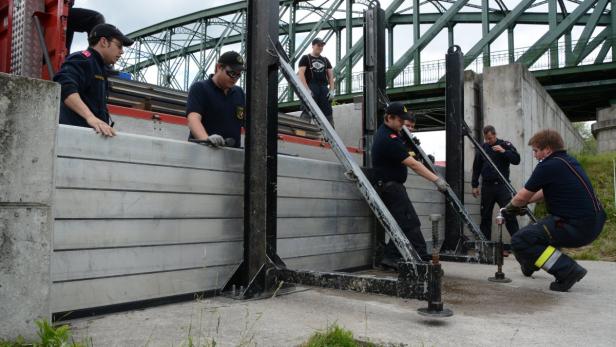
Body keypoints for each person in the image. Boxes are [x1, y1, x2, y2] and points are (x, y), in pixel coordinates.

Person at [505, 129, 605, 292]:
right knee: (535, 234)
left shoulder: (548, 165)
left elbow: (521, 197)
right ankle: (530, 262)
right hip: (593, 222)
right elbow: (543, 192)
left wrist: (510, 207)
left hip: (575, 225)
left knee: (520, 240)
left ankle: (568, 270)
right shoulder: (567, 162)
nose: (535, 155)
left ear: (548, 149)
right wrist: (525, 201)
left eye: (536, 151)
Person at [372, 102, 450, 268]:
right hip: (390, 187)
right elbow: (413, 164)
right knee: (410, 223)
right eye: (400, 121)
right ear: (389, 118)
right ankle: (417, 257)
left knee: (404, 223)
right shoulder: (388, 138)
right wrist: (436, 179)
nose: (403, 124)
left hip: (392, 186)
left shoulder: (392, 134)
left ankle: (391, 256)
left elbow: (409, 154)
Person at [53, 23, 133, 137]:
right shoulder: (82, 59)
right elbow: (64, 87)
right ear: (104, 42)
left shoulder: (100, 67)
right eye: (119, 46)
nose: (122, 51)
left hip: (88, 137)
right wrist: (90, 117)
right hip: (74, 137)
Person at [471, 125, 521, 252]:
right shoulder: (483, 147)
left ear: (495, 134)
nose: (488, 141)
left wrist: (504, 151)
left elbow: (517, 159)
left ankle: (520, 245)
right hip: (487, 187)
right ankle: (485, 248)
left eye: (490, 138)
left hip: (502, 186)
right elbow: (476, 167)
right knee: (485, 216)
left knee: (509, 214)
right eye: (486, 139)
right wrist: (474, 185)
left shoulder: (505, 144)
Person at [186, 51, 246, 148]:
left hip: (231, 156)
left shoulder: (239, 93)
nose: (235, 78)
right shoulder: (200, 88)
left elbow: (250, 126)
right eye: (232, 73)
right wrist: (206, 139)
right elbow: (193, 119)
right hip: (203, 153)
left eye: (238, 75)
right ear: (219, 67)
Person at [298, 38, 335, 127]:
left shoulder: (325, 60)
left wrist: (331, 90)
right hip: (311, 87)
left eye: (322, 45)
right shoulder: (305, 58)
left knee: (328, 112)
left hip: (323, 88)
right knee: (307, 110)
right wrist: (306, 89)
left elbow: (330, 76)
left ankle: (331, 136)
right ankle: (303, 132)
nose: (320, 47)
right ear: (313, 46)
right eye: (318, 45)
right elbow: (301, 74)